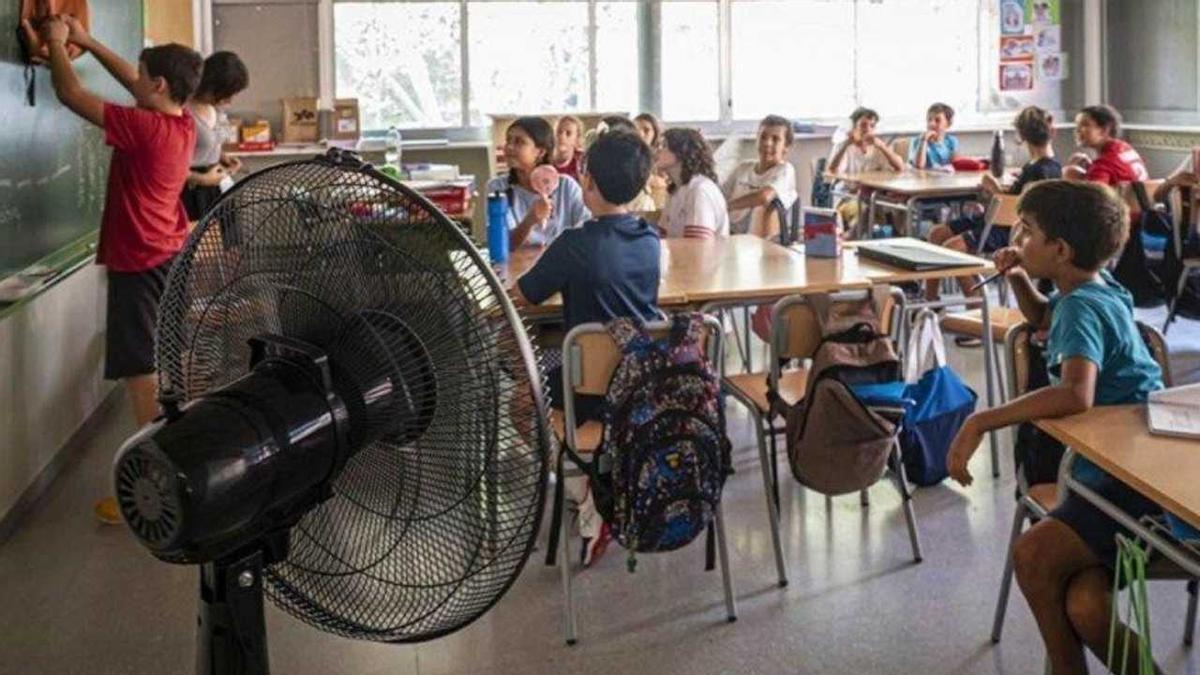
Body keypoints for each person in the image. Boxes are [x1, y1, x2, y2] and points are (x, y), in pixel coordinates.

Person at [946, 180, 1165, 675]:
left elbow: (1075, 393)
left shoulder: (1081, 306)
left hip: (1127, 479)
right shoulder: (1095, 287)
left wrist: (981, 420)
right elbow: (1046, 316)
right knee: (1086, 605)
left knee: (1033, 555)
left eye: (1026, 232)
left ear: (1060, 250)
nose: (1016, 239)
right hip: (1125, 461)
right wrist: (1022, 276)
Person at [33, 15, 202, 523]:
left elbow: (69, 94)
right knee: (158, 366)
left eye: (144, 75)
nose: (135, 80)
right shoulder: (181, 122)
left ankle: (157, 490)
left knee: (140, 373)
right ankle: (176, 470)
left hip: (141, 260)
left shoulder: (143, 128)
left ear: (160, 85)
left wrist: (61, 46)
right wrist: (89, 40)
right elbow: (135, 78)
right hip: (167, 255)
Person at [512, 130, 661, 567]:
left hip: (588, 386)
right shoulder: (650, 241)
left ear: (586, 179)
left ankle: (587, 489)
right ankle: (599, 481)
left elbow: (524, 296)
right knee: (563, 365)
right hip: (639, 382)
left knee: (520, 403)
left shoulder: (575, 244)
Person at [925, 106, 1062, 301]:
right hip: (994, 219)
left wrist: (994, 188)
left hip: (1009, 228)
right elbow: (1018, 197)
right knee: (937, 233)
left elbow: (1022, 208)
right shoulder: (1036, 165)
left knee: (952, 247)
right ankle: (931, 299)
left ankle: (975, 306)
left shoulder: (1044, 170)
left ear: (1021, 135)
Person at [486, 116, 590, 249]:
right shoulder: (497, 188)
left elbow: (588, 229)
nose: (509, 147)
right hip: (517, 267)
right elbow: (502, 245)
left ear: (540, 152)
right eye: (508, 140)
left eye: (519, 142)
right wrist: (530, 220)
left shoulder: (567, 187)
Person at [182, 51, 249, 222]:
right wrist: (202, 179)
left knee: (229, 245)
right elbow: (167, 164)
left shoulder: (216, 109)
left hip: (216, 185)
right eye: (228, 93)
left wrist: (223, 158)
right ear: (212, 86)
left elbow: (210, 144)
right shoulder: (182, 110)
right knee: (196, 245)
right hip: (190, 190)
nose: (229, 100)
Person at [827, 107, 906, 230]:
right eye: (863, 125)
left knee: (901, 208)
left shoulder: (877, 148)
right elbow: (832, 171)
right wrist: (847, 143)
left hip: (874, 196)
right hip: (848, 196)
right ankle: (851, 239)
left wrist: (882, 147)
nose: (868, 130)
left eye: (872, 126)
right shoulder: (844, 147)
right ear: (853, 128)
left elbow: (900, 167)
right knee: (864, 210)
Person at [722, 115, 799, 238]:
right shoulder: (743, 167)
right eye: (763, 137)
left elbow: (764, 197)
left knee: (763, 207)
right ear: (756, 140)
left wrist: (727, 206)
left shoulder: (785, 170)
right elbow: (720, 194)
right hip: (729, 230)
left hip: (762, 236)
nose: (767, 143)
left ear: (786, 146)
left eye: (775, 139)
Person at [657, 127, 730, 239]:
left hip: (702, 256)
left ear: (681, 152)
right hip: (681, 255)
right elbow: (661, 237)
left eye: (664, 146)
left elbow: (697, 248)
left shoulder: (700, 190)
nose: (657, 150)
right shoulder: (675, 190)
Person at [1063, 105, 1149, 185]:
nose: (1077, 130)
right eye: (1077, 125)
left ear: (1104, 130)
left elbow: (1091, 199)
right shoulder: (1125, 148)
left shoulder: (1103, 165)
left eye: (1085, 125)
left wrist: (1070, 180)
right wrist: (1090, 167)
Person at [910, 102, 961, 170]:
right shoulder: (919, 141)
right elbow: (919, 166)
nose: (932, 123)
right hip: (925, 178)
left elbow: (955, 164)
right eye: (929, 119)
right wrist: (924, 141)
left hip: (945, 178)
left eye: (937, 120)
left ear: (948, 124)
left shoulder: (952, 141)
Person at [634, 112, 669, 209]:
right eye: (636, 130)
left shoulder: (662, 156)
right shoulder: (627, 156)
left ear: (655, 134)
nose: (640, 134)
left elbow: (663, 182)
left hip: (658, 202)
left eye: (646, 130)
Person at [552, 114, 584, 182]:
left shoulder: (582, 160)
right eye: (559, 132)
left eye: (568, 133)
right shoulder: (543, 160)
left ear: (576, 140)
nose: (562, 136)